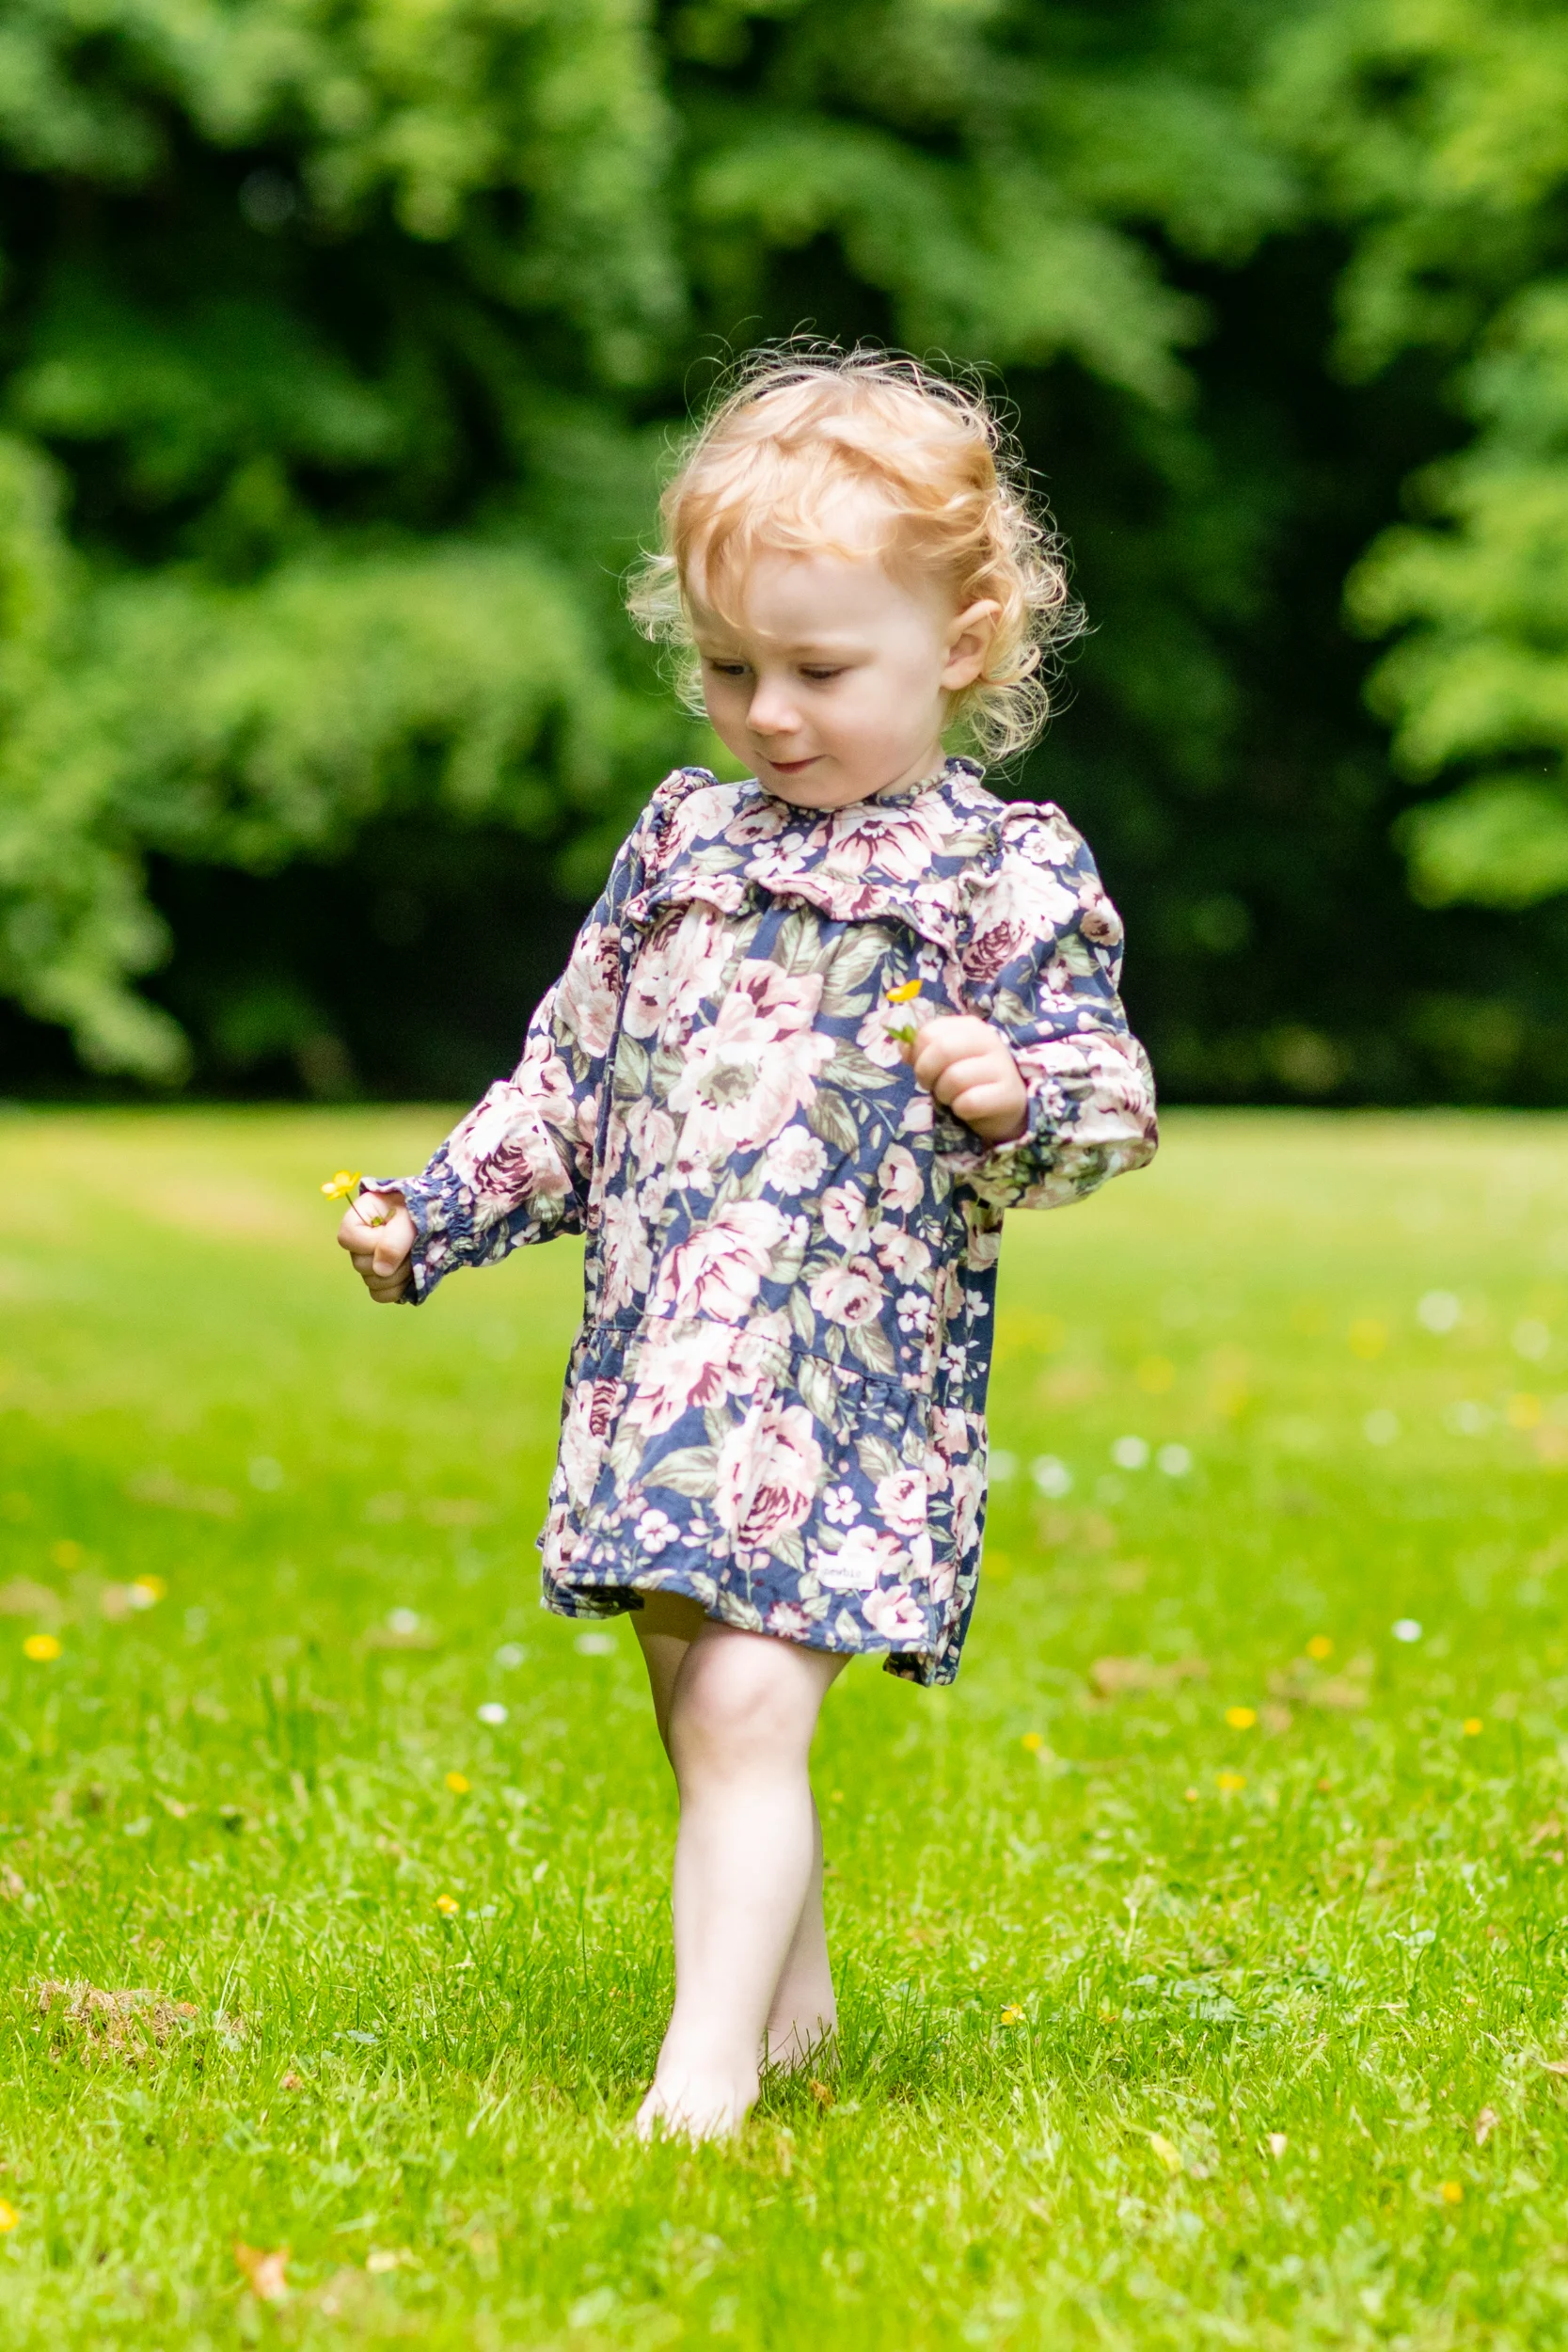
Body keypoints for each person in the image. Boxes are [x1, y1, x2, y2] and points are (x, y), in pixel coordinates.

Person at [338, 348, 1157, 2140]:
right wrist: (440, 1210)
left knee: (743, 1706)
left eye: (818, 670)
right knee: (687, 1685)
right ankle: (788, 2017)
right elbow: (567, 1079)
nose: (769, 713)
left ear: (957, 643)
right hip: (665, 1366)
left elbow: (1110, 1093)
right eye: (729, 669)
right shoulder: (680, 846)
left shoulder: (993, 871)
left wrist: (1010, 1089)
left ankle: (696, 2086)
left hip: (846, 1380)